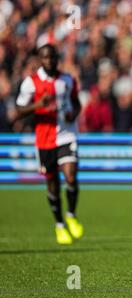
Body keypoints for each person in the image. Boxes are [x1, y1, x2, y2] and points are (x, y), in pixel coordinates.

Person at [15, 44, 83, 245]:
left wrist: (74, 113)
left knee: (70, 175)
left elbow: (76, 102)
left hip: (66, 135)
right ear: (40, 59)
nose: (50, 61)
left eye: (53, 57)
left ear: (57, 58)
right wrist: (38, 105)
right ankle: (60, 225)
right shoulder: (31, 83)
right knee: (52, 183)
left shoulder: (67, 80)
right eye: (45, 58)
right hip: (44, 140)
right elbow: (18, 110)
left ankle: (71, 214)